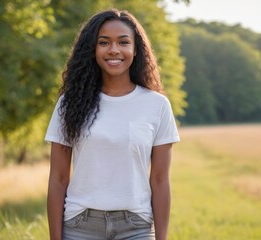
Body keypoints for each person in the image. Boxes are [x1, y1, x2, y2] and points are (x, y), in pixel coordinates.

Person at [45, 9, 180, 240]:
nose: (114, 50)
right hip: (80, 226)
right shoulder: (69, 103)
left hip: (136, 226)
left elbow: (159, 181)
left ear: (136, 50)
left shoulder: (157, 105)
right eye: (104, 42)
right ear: (92, 50)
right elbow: (58, 178)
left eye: (123, 42)